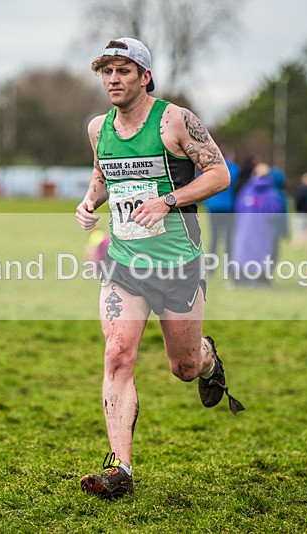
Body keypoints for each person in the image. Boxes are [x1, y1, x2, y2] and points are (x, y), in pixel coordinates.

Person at [74, 37, 244, 499]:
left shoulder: (174, 121)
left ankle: (208, 358)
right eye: (106, 71)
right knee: (117, 354)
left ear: (144, 76)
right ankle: (120, 468)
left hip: (178, 265)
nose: (113, 79)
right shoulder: (98, 128)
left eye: (123, 70)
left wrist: (168, 201)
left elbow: (220, 174)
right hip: (125, 263)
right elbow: (104, 172)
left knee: (184, 367)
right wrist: (91, 201)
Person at [232, 162, 283, 286]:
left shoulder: (247, 190)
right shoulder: (272, 193)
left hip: (245, 228)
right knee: (263, 253)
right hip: (264, 230)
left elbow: (238, 207)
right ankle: (262, 279)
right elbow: (275, 211)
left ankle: (240, 278)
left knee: (243, 251)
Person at [203, 150, 239, 264]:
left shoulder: (208, 168)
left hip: (213, 207)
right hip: (228, 208)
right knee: (228, 238)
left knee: (214, 237)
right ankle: (228, 265)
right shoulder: (233, 168)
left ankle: (211, 266)